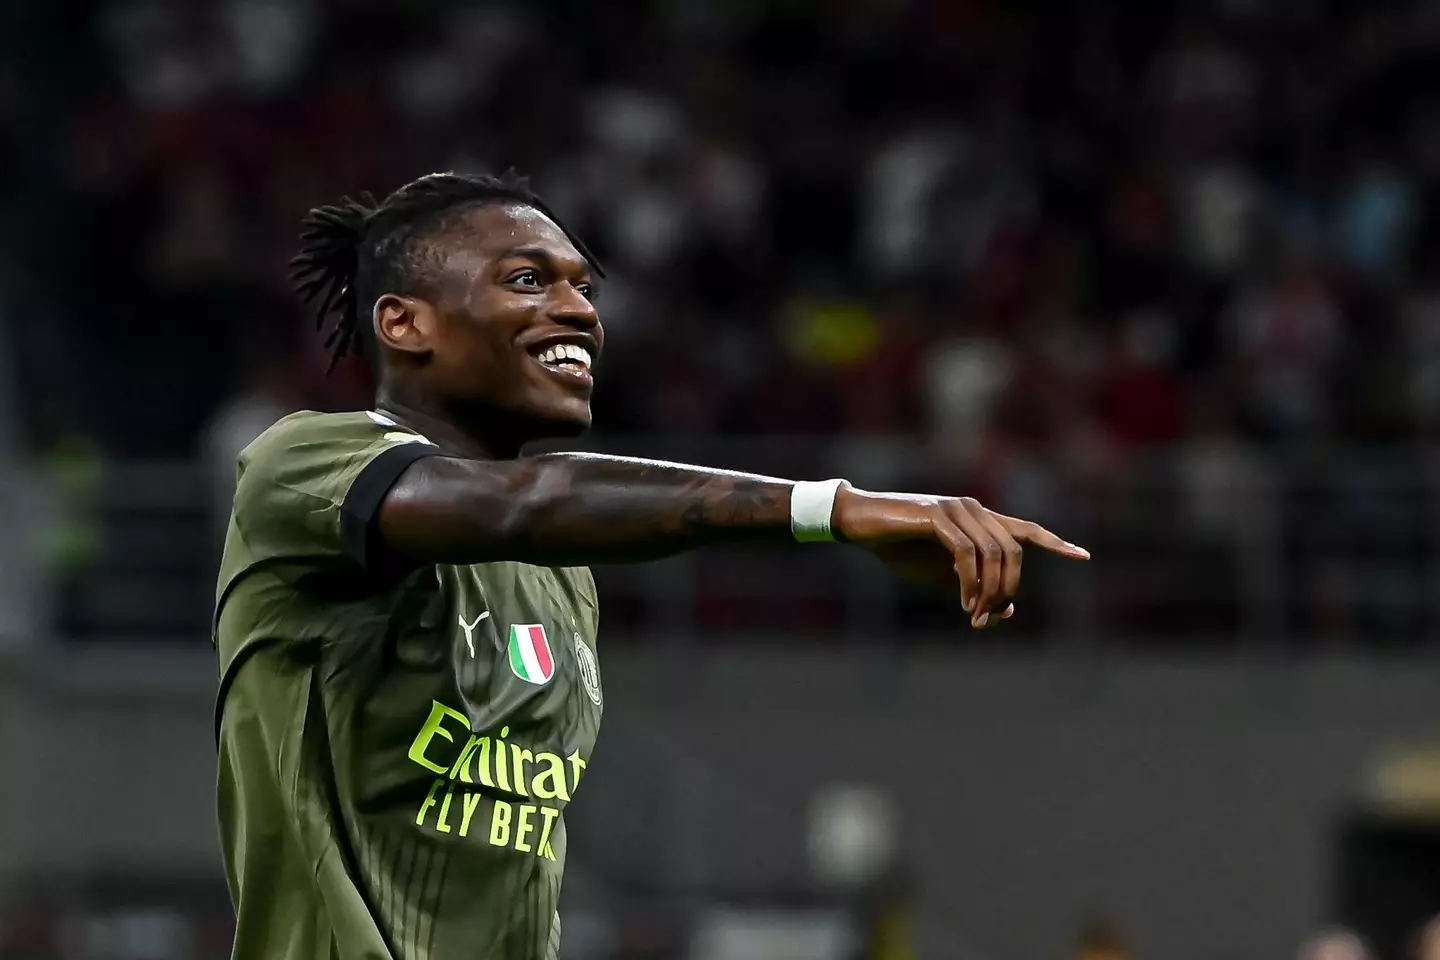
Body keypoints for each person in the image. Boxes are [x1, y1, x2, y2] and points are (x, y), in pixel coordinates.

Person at [213, 170, 1090, 960]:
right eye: (529, 280)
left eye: (584, 289)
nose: (582, 311)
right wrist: (834, 509)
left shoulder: (563, 582)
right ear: (404, 322)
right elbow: (526, 502)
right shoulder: (300, 470)